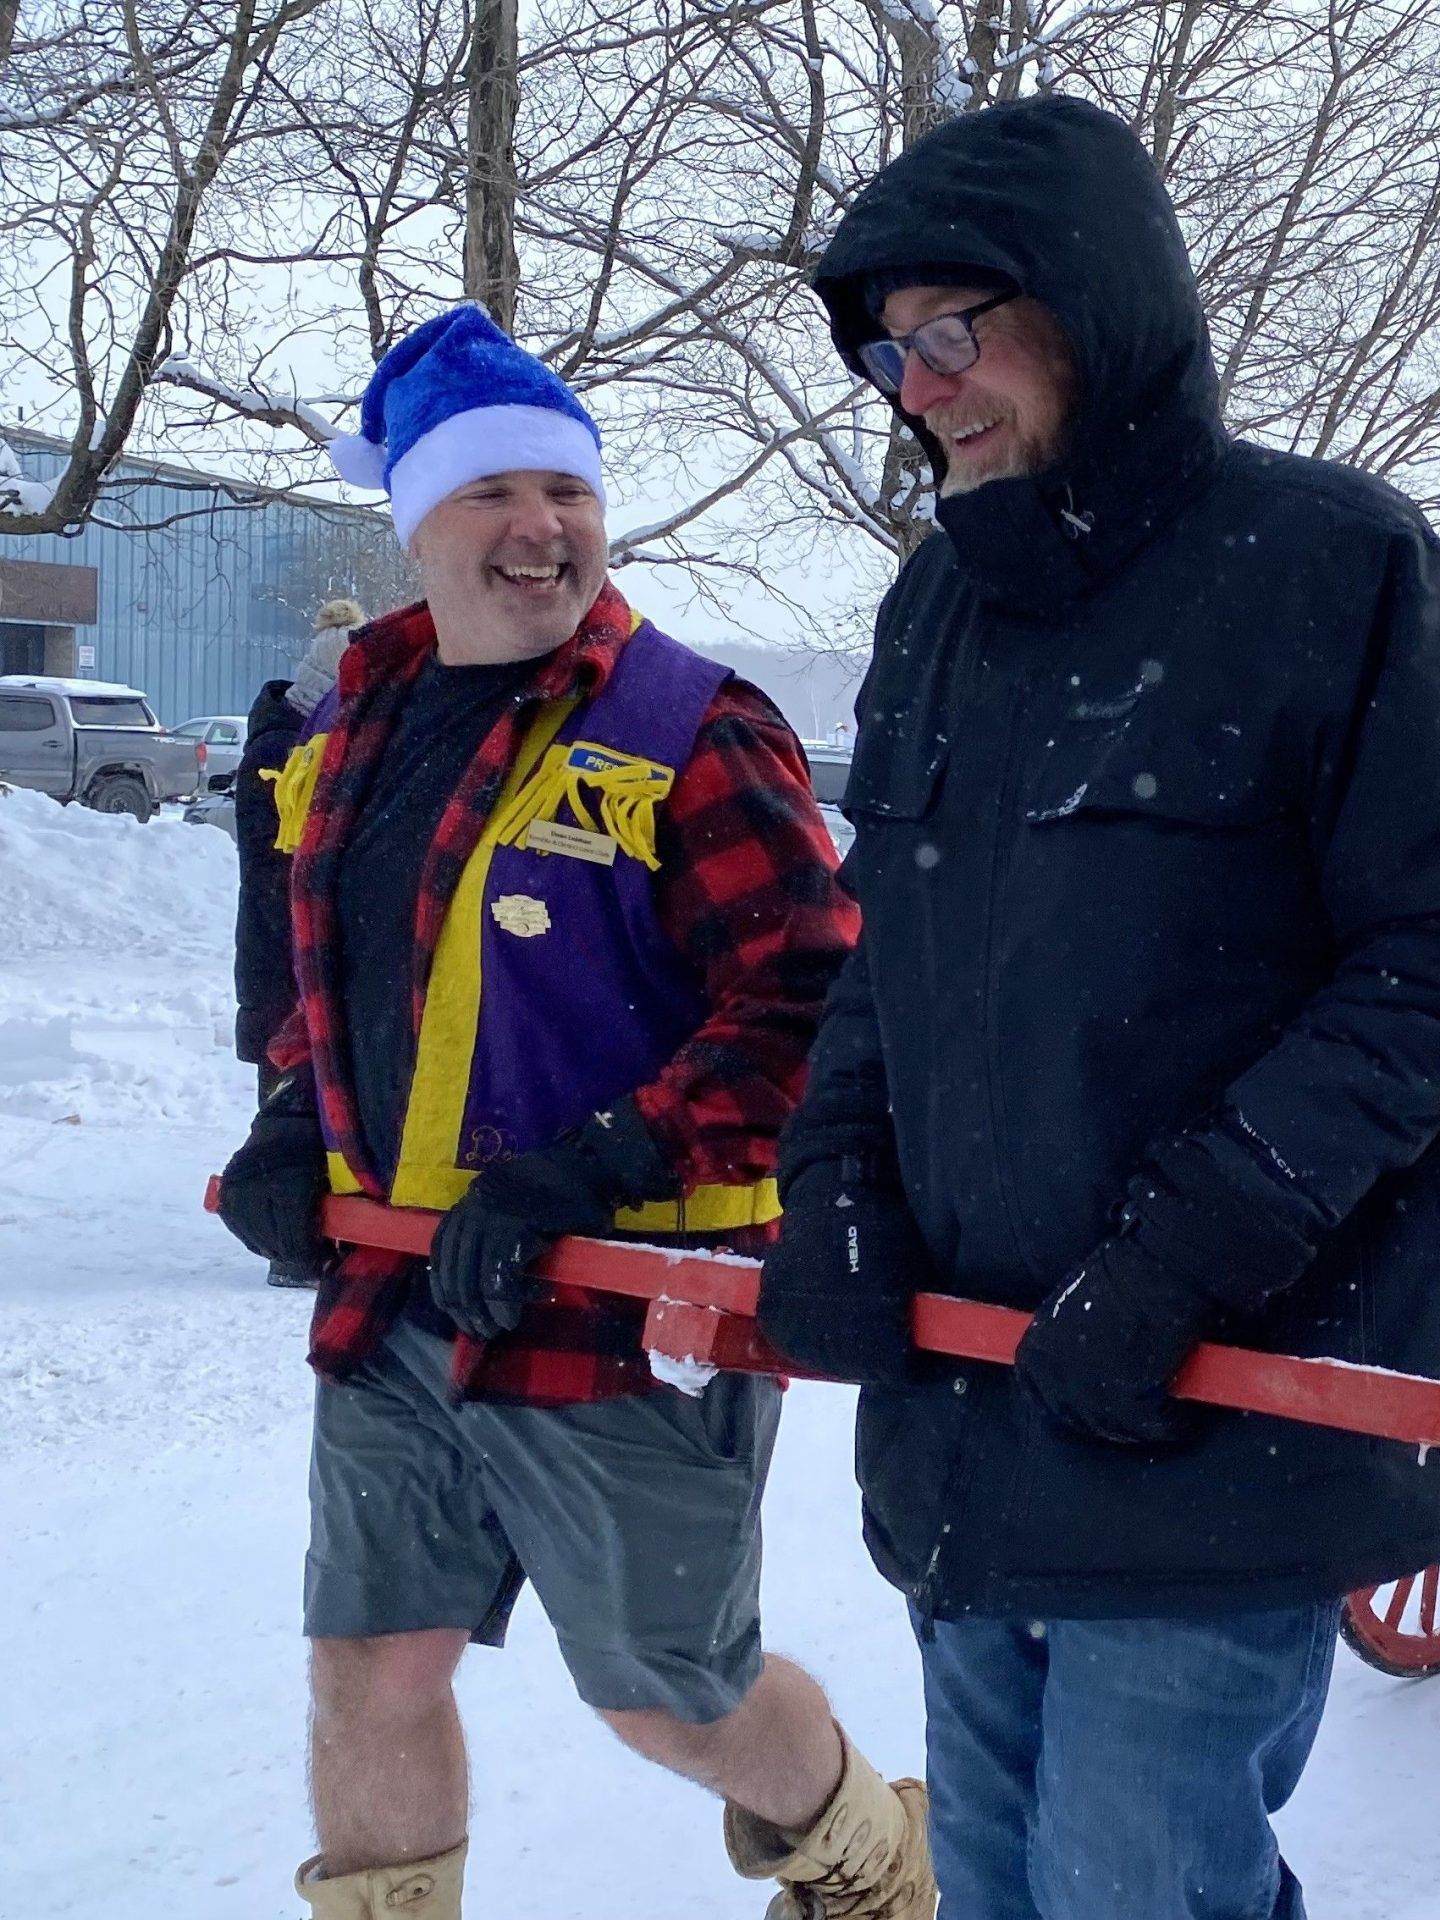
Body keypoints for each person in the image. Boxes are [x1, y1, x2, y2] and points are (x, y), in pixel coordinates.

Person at [754, 95, 1440, 1920]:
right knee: (995, 1876)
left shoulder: (1335, 567)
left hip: (1222, 1400)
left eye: (955, 332)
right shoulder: (934, 609)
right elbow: (890, 955)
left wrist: (1182, 1258)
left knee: (1134, 1884)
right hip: (977, 1408)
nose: (919, 387)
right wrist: (839, 1195)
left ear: (1095, 308)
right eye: (893, 350)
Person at [209, 305, 924, 1920]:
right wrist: (292, 1124)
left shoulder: (691, 728)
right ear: (418, 528)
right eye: (491, 494)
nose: (541, 529)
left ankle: (875, 1860)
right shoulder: (356, 728)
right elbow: (343, 986)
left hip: (622, 1300)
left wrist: (591, 1167)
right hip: (401, 1292)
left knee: (668, 1690)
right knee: (368, 1667)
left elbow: (808, 1014)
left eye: (567, 492)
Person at [233, 596, 365, 1288]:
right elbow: (276, 857)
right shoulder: (281, 750)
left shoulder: (306, 737)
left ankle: (319, 1225)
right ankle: (291, 1242)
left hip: (302, 941)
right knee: (288, 1091)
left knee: (324, 1082)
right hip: (283, 945)